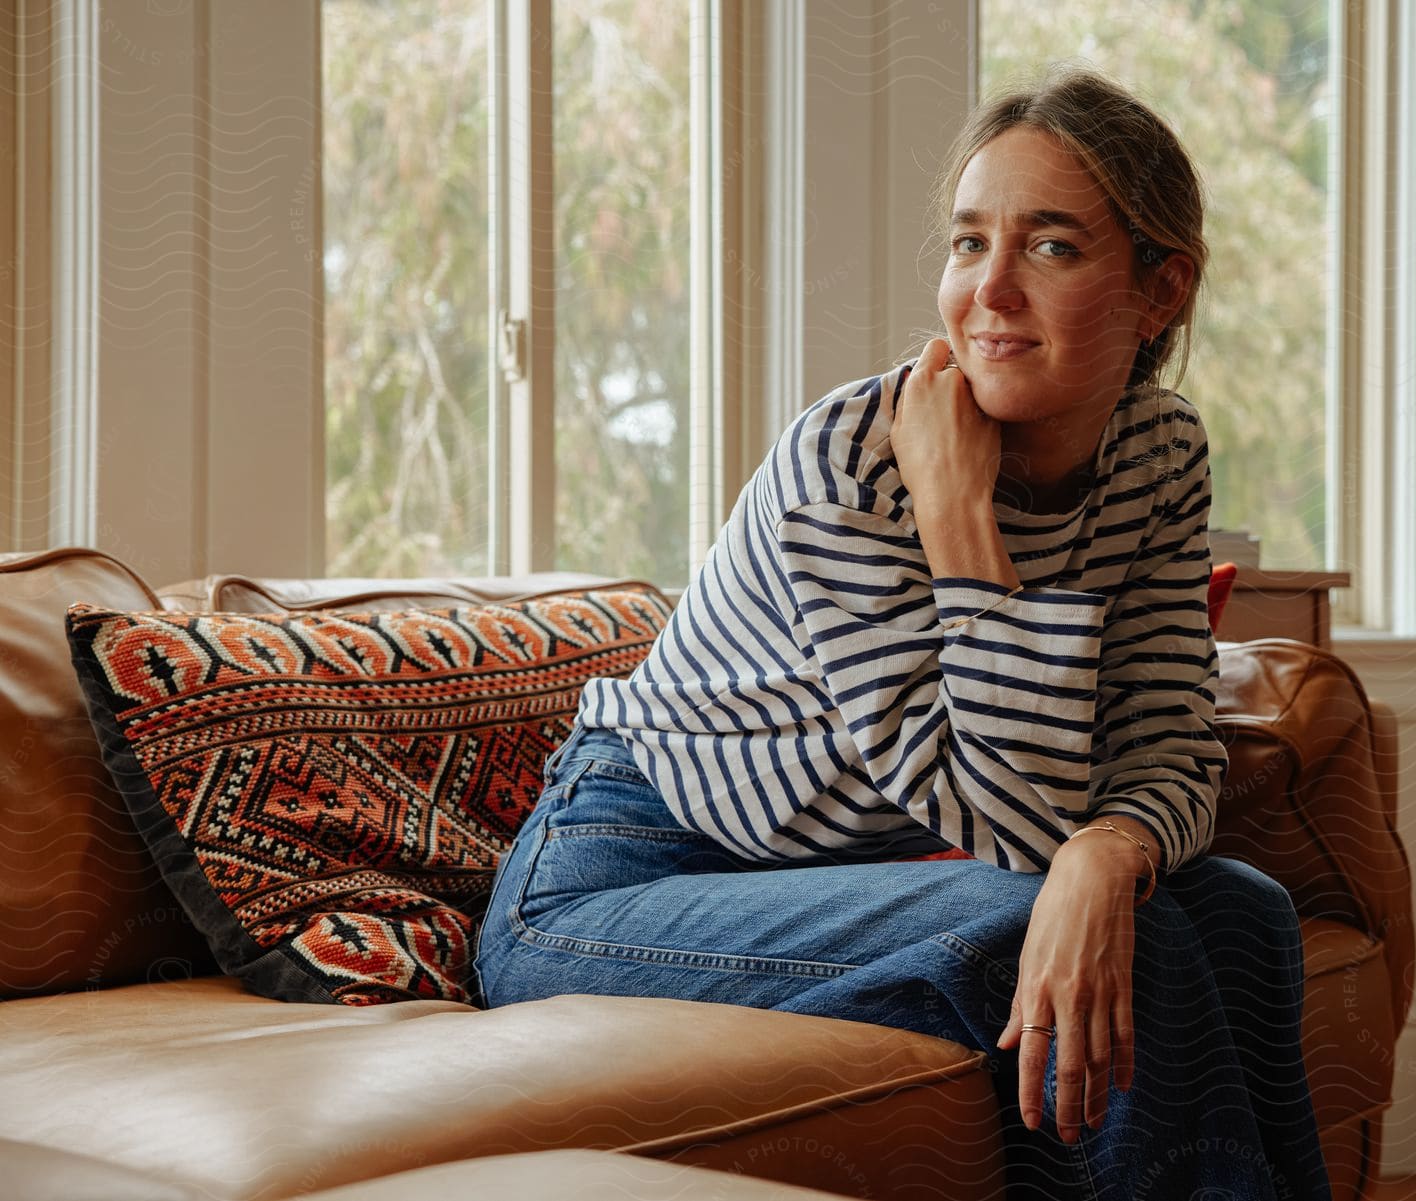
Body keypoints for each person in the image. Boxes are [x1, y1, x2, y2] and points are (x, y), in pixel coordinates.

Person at [475, 64, 1332, 1201]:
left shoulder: (1160, 450)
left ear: (1161, 288)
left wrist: (1112, 847)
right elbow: (1010, 828)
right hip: (605, 888)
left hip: (832, 871)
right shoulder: (854, 462)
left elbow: (1170, 741)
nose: (991, 291)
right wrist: (960, 523)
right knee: (1065, 923)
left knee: (1241, 907)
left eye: (1053, 247)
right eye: (971, 243)